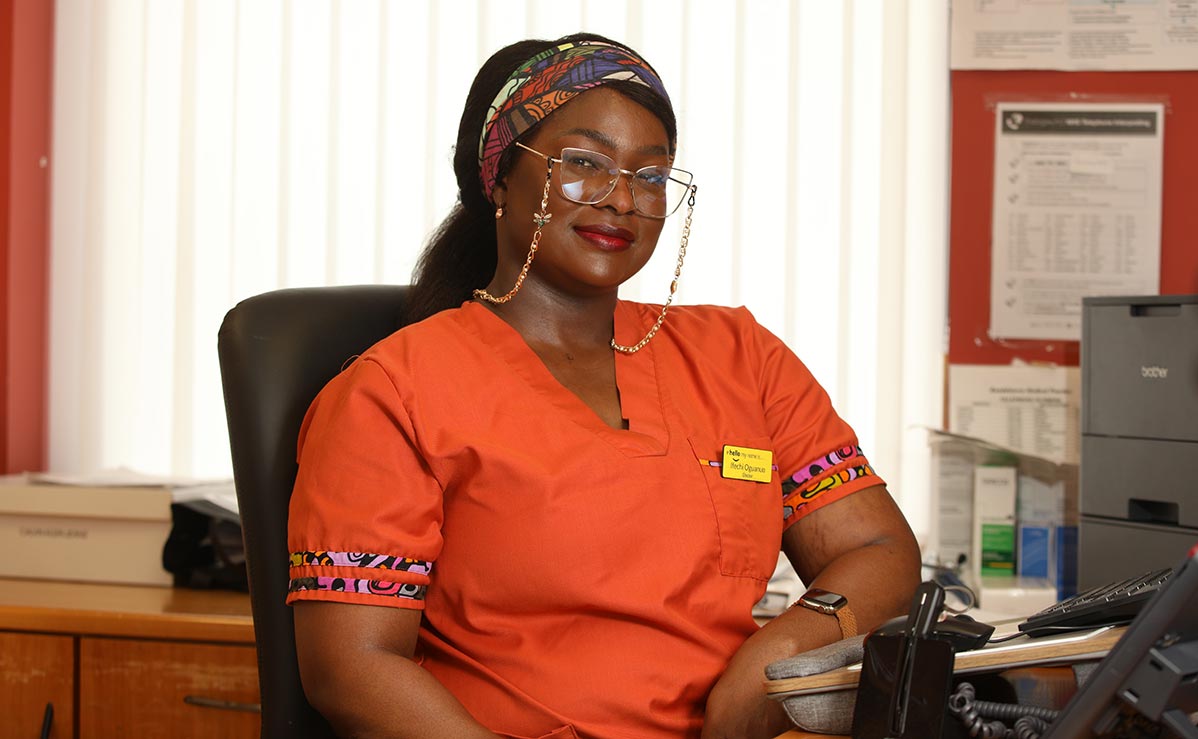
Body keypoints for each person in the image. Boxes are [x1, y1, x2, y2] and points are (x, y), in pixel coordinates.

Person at [287, 33, 920, 739]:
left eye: (651, 176)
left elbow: (880, 550)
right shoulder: (393, 391)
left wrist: (776, 656)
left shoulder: (741, 356)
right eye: (583, 164)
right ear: (500, 177)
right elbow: (352, 667)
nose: (621, 198)